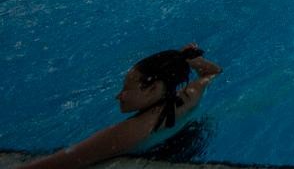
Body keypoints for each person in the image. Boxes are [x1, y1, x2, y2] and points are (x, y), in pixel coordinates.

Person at [19, 45, 221, 169]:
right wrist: (192, 61)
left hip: (159, 154)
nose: (119, 95)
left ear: (152, 89)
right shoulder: (188, 97)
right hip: (191, 141)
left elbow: (62, 162)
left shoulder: (130, 131)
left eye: (126, 89)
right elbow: (212, 72)